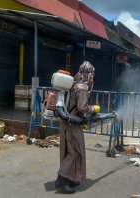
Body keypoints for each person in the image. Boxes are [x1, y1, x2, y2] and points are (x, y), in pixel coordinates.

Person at [55, 61, 97, 194]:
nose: (92, 78)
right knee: (75, 152)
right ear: (89, 74)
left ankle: (67, 178)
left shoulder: (74, 83)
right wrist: (93, 108)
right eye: (92, 75)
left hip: (70, 123)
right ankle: (62, 180)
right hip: (72, 124)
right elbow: (82, 107)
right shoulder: (82, 87)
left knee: (71, 151)